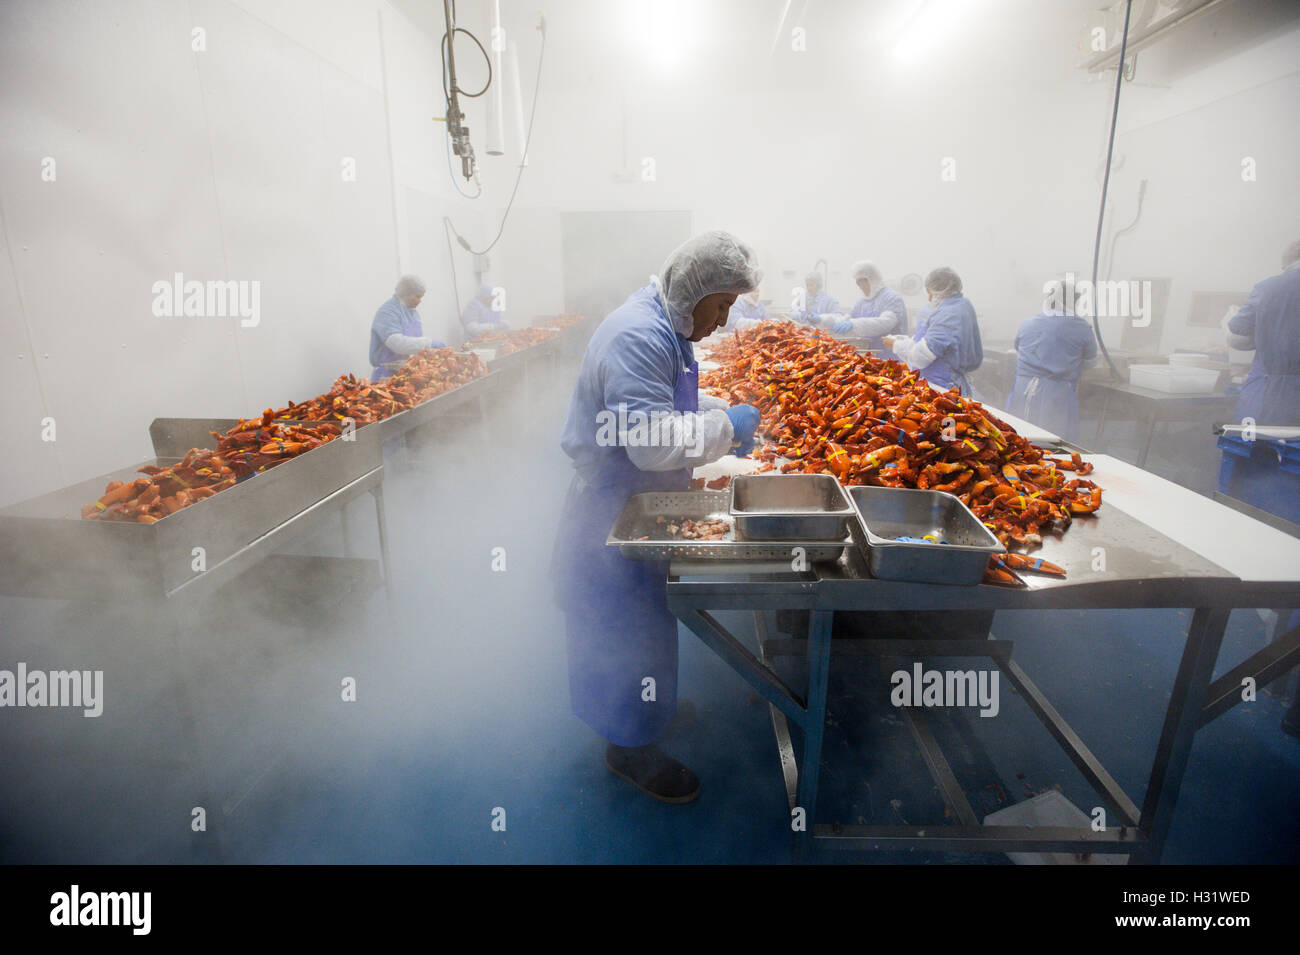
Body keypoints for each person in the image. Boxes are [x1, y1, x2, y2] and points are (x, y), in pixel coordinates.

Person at [553, 231, 762, 803]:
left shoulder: (664, 324)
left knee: (649, 620)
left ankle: (650, 711)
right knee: (622, 628)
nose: (722, 321)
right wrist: (729, 429)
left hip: (640, 499)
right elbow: (649, 441)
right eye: (721, 306)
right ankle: (629, 750)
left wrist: (720, 412)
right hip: (611, 507)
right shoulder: (639, 335)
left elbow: (667, 402)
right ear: (696, 290)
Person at [1218, 239, 1300, 738]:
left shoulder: (1272, 287)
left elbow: (1237, 337)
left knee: (1244, 505)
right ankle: (1279, 652)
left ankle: (1229, 595)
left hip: (1265, 406)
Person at [1003, 277, 1099, 443]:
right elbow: (1090, 361)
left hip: (1023, 388)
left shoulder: (1029, 323)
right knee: (1051, 443)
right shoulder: (1081, 327)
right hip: (1056, 394)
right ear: (1075, 301)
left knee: (1014, 438)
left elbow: (1018, 348)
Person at [884, 266, 983, 395]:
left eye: (930, 293)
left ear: (941, 290)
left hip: (943, 386)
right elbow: (932, 342)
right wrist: (905, 341)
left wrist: (896, 345)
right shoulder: (961, 305)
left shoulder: (949, 314)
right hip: (942, 382)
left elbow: (920, 357)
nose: (930, 298)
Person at [819, 260, 908, 353]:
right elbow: (844, 320)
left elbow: (885, 323)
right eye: (858, 283)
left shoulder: (892, 298)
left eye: (862, 282)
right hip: (870, 355)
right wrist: (822, 320)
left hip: (891, 355)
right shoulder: (862, 303)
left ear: (873, 279)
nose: (860, 286)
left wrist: (854, 324)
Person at [368, 276, 444, 381]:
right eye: (417, 297)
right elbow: (397, 344)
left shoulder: (413, 312)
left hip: (407, 372)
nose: (419, 301)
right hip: (386, 376)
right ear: (406, 293)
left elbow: (415, 344)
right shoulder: (387, 312)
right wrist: (429, 344)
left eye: (421, 297)